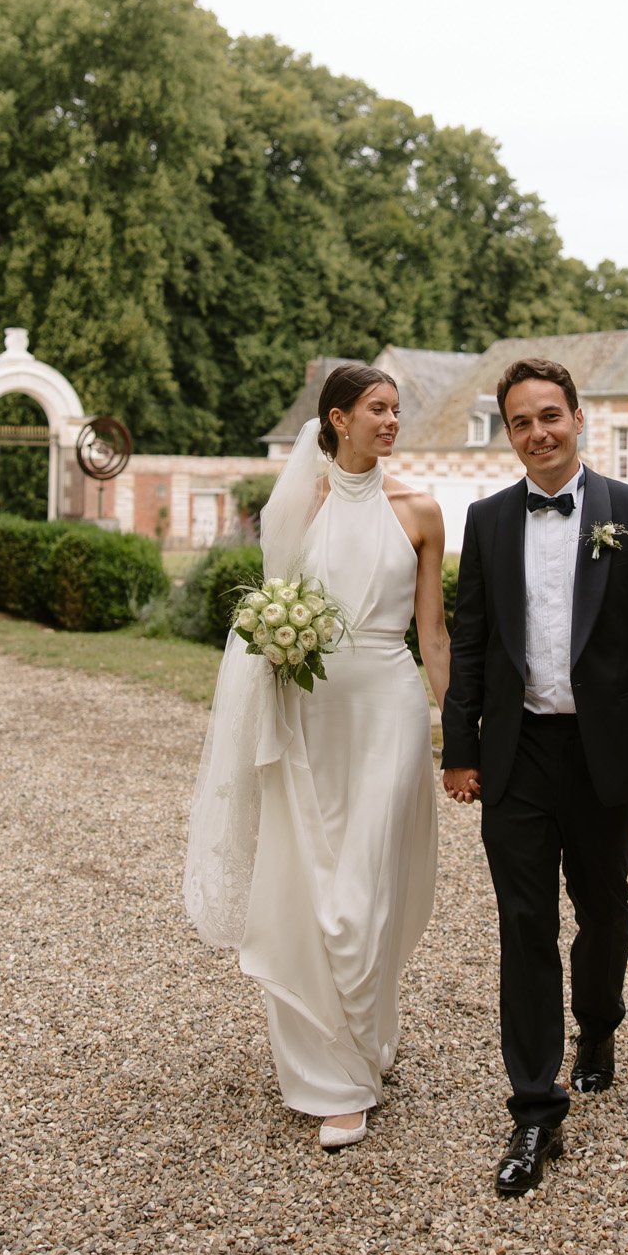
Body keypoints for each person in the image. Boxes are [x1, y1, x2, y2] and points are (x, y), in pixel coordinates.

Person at [440, 357, 628, 1197]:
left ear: (577, 418)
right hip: (516, 755)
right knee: (523, 923)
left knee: (602, 907)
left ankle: (598, 1027)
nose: (537, 433)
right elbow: (470, 643)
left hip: (603, 754)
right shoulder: (483, 522)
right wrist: (460, 748)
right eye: (521, 422)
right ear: (508, 433)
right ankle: (532, 1108)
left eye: (550, 416)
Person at [184, 364, 449, 1151]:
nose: (391, 421)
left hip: (391, 710)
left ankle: (357, 1051)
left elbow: (432, 634)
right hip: (309, 709)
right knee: (312, 881)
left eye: (397, 409)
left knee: (366, 885)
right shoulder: (294, 508)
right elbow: (270, 616)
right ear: (337, 419)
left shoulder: (422, 511)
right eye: (377, 409)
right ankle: (336, 1069)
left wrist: (461, 728)